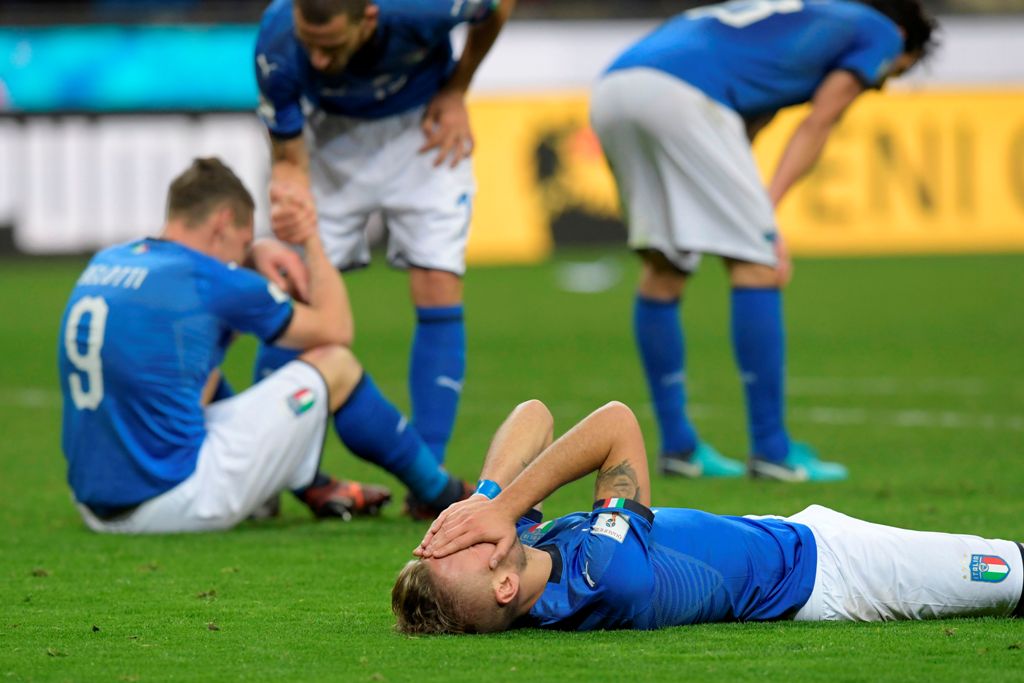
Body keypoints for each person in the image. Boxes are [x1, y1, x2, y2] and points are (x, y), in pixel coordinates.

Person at [588, 0, 937, 481]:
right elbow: (820, 121)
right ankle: (773, 450)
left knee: (663, 267)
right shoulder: (881, 31)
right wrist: (765, 220)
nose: (880, 82)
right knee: (760, 265)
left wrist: (750, 210)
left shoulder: (802, 25)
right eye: (895, 73)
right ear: (904, 39)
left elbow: (746, 124)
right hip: (684, 97)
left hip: (614, 89)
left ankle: (679, 448)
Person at [58, 158, 468, 533]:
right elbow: (336, 328)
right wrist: (310, 241)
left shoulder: (110, 261)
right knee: (336, 365)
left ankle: (308, 485)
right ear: (222, 222)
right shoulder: (209, 280)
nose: (242, 255)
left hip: (94, 508)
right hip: (172, 500)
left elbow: (190, 352)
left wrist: (251, 254)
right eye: (243, 240)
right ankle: (439, 491)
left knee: (190, 367)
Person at [394, 400, 1024, 633]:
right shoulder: (602, 576)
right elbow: (616, 424)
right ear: (503, 586)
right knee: (1011, 573)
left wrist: (484, 496)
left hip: (785, 535)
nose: (457, 537)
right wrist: (502, 506)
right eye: (458, 553)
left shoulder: (529, 555)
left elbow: (534, 413)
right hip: (832, 576)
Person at [252, 0, 514, 514]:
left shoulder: (423, 6)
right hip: (332, 138)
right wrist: (288, 189)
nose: (319, 60)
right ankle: (263, 476)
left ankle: (429, 482)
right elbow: (286, 154)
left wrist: (457, 89)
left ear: (368, 18)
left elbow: (498, 6)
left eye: (330, 46)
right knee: (298, 289)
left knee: (438, 280)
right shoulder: (278, 41)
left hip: (425, 131)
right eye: (312, 46)